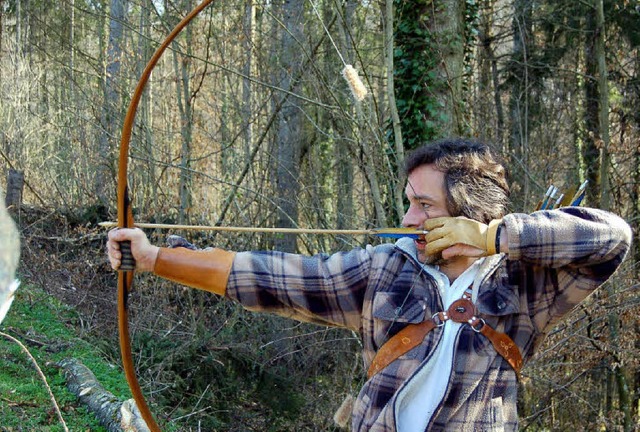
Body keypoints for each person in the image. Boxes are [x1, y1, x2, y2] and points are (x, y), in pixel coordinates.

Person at [107, 138, 632, 431]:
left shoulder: (527, 283)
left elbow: (613, 237)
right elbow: (275, 277)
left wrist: (496, 235)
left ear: (467, 214)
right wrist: (155, 259)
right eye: (409, 200)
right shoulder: (384, 269)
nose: (408, 216)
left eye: (423, 206)